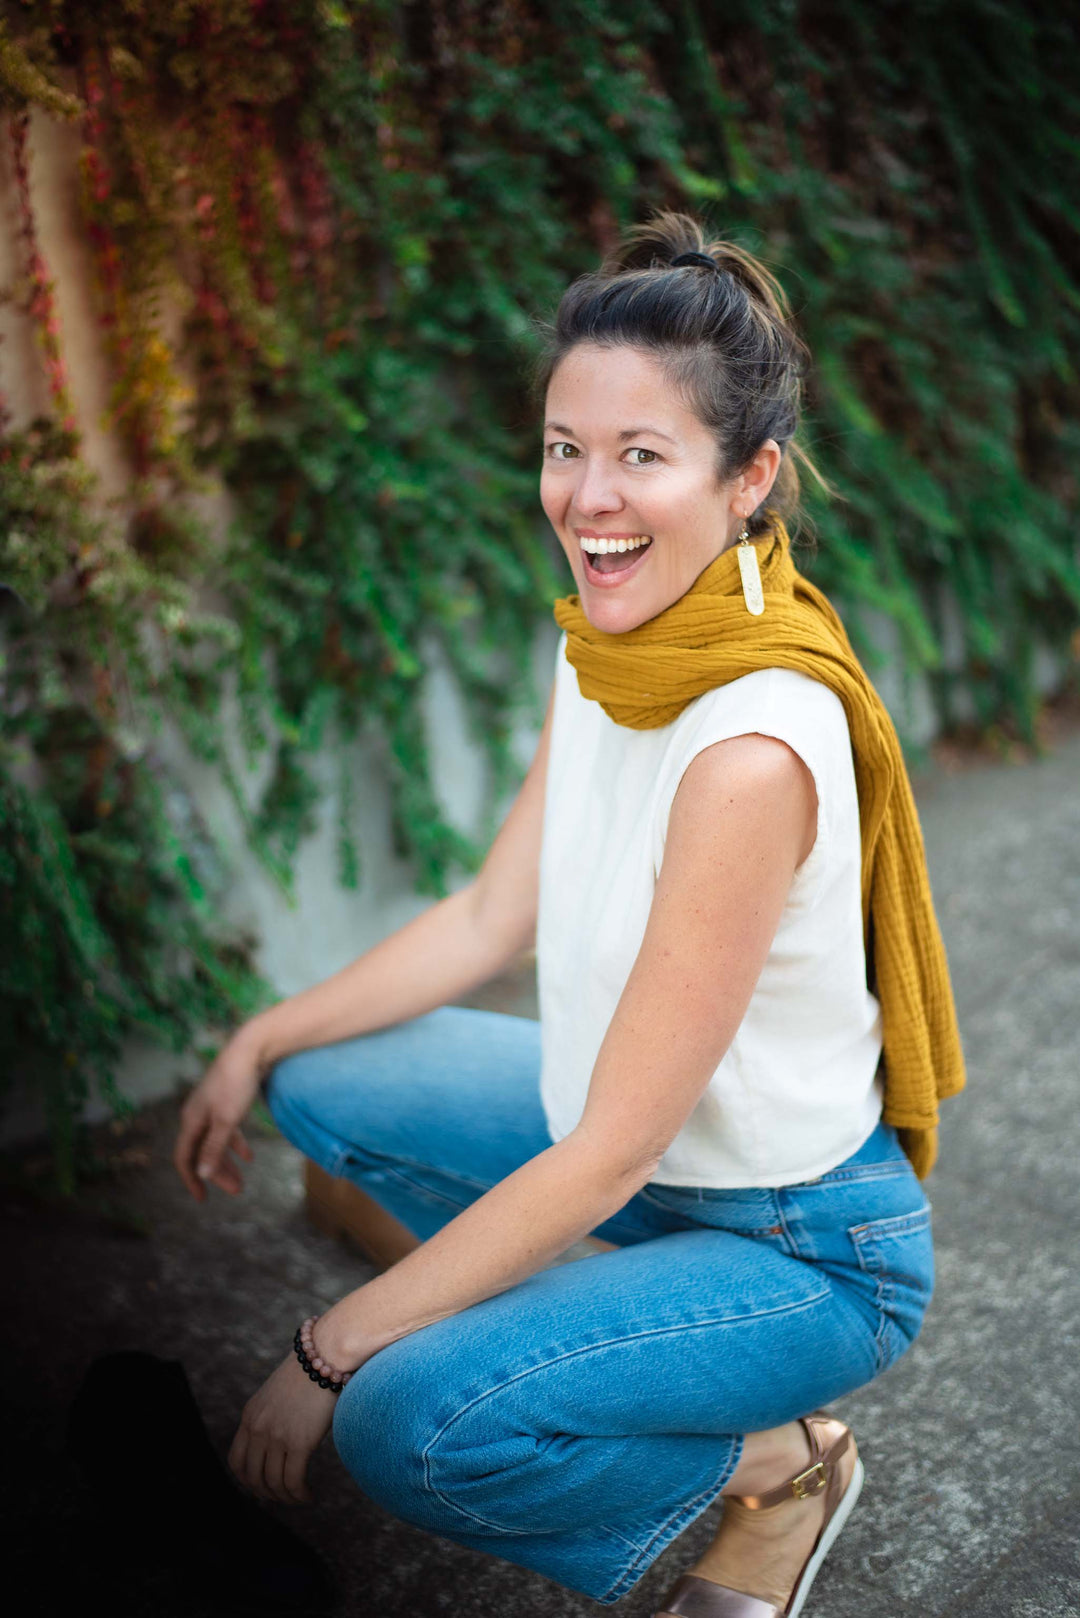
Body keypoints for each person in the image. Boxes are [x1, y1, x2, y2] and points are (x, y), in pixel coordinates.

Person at [173, 209, 965, 1617]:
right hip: (643, 1168)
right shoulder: (612, 643)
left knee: (404, 1419)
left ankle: (781, 1460)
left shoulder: (748, 746)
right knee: (321, 1080)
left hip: (795, 1240)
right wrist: (256, 1034)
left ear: (751, 478)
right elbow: (492, 911)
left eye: (642, 455)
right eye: (564, 446)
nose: (587, 497)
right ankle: (589, 1321)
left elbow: (604, 1154)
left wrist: (319, 1352)